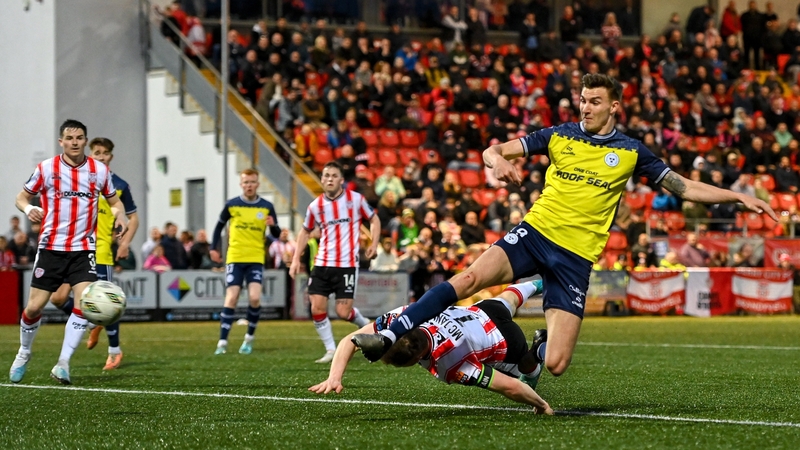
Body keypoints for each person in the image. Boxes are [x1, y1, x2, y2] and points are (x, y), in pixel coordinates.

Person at [352, 73, 776, 386]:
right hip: (535, 234)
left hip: (574, 259)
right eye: (582, 100)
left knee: (555, 364)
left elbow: (682, 187)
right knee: (468, 278)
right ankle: (394, 329)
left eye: (593, 101)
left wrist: (738, 197)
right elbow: (493, 149)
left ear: (614, 106)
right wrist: (497, 160)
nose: (584, 107)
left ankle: (532, 349)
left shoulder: (631, 151)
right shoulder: (557, 136)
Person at [310, 281, 553, 414]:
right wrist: (334, 376)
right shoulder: (402, 317)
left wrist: (541, 405)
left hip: (504, 340)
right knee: (510, 297)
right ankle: (545, 282)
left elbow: (509, 387)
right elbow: (350, 341)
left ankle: (538, 349)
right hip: (483, 310)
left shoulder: (450, 365)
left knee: (525, 370)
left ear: (413, 361)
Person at [9, 119, 128, 385]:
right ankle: (24, 351)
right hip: (51, 247)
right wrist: (29, 210)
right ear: (61, 141)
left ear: (85, 141)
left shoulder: (98, 171)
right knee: (34, 307)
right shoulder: (47, 168)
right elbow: (21, 197)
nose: (75, 142)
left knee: (83, 306)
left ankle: (63, 363)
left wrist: (120, 217)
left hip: (83, 248)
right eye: (69, 138)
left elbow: (115, 202)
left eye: (79, 137)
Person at [48, 137, 140, 371]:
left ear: (111, 156)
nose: (100, 156)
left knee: (109, 302)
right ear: (91, 153)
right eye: (97, 152)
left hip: (99, 252)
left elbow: (134, 218)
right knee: (57, 298)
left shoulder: (118, 184)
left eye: (105, 153)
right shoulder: (77, 178)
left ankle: (114, 351)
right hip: (71, 248)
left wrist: (124, 243)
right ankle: (92, 322)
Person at [289, 161, 381, 363]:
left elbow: (374, 219)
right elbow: (305, 231)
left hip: (347, 265)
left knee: (343, 311)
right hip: (322, 264)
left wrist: (374, 243)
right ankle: (330, 349)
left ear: (341, 180)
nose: (329, 179)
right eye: (326, 176)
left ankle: (366, 325)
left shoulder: (355, 200)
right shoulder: (316, 206)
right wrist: (296, 259)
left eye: (333, 175)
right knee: (317, 308)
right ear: (322, 180)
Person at [209, 169, 281, 355]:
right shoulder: (232, 205)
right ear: (241, 184)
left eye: (252, 182)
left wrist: (273, 225)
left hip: (256, 257)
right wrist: (213, 248)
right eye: (246, 182)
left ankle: (248, 340)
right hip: (235, 257)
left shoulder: (266, 206)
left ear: (258, 184)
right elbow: (218, 227)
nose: (249, 185)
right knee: (231, 297)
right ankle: (222, 342)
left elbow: (276, 235)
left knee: (255, 298)